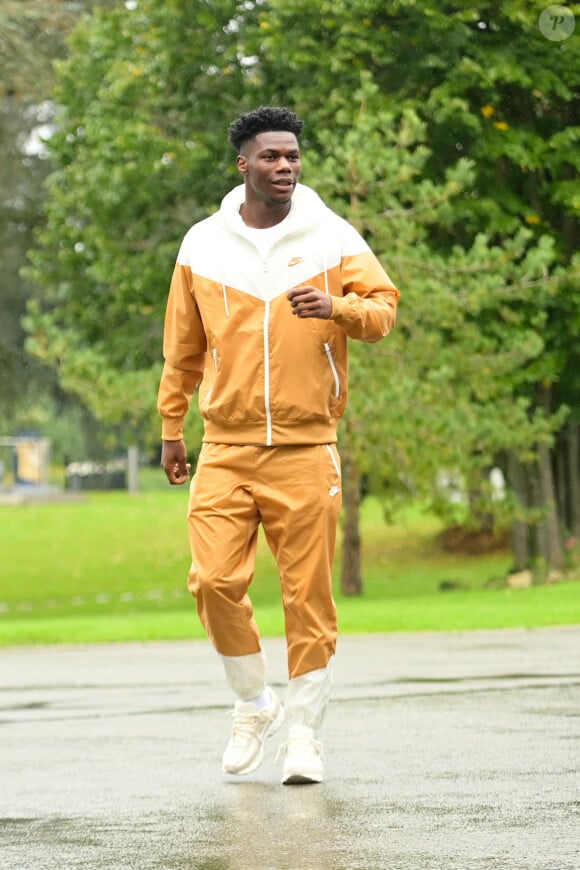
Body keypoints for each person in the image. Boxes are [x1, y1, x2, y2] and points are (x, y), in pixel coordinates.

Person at [157, 106, 399, 784]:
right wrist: (172, 428)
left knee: (308, 597)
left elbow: (382, 312)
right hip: (225, 448)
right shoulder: (202, 244)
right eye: (270, 157)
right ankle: (252, 703)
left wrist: (339, 309)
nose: (284, 166)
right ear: (244, 164)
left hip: (306, 445)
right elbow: (182, 348)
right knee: (211, 581)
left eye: (292, 155)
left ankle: (305, 738)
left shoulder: (331, 236)